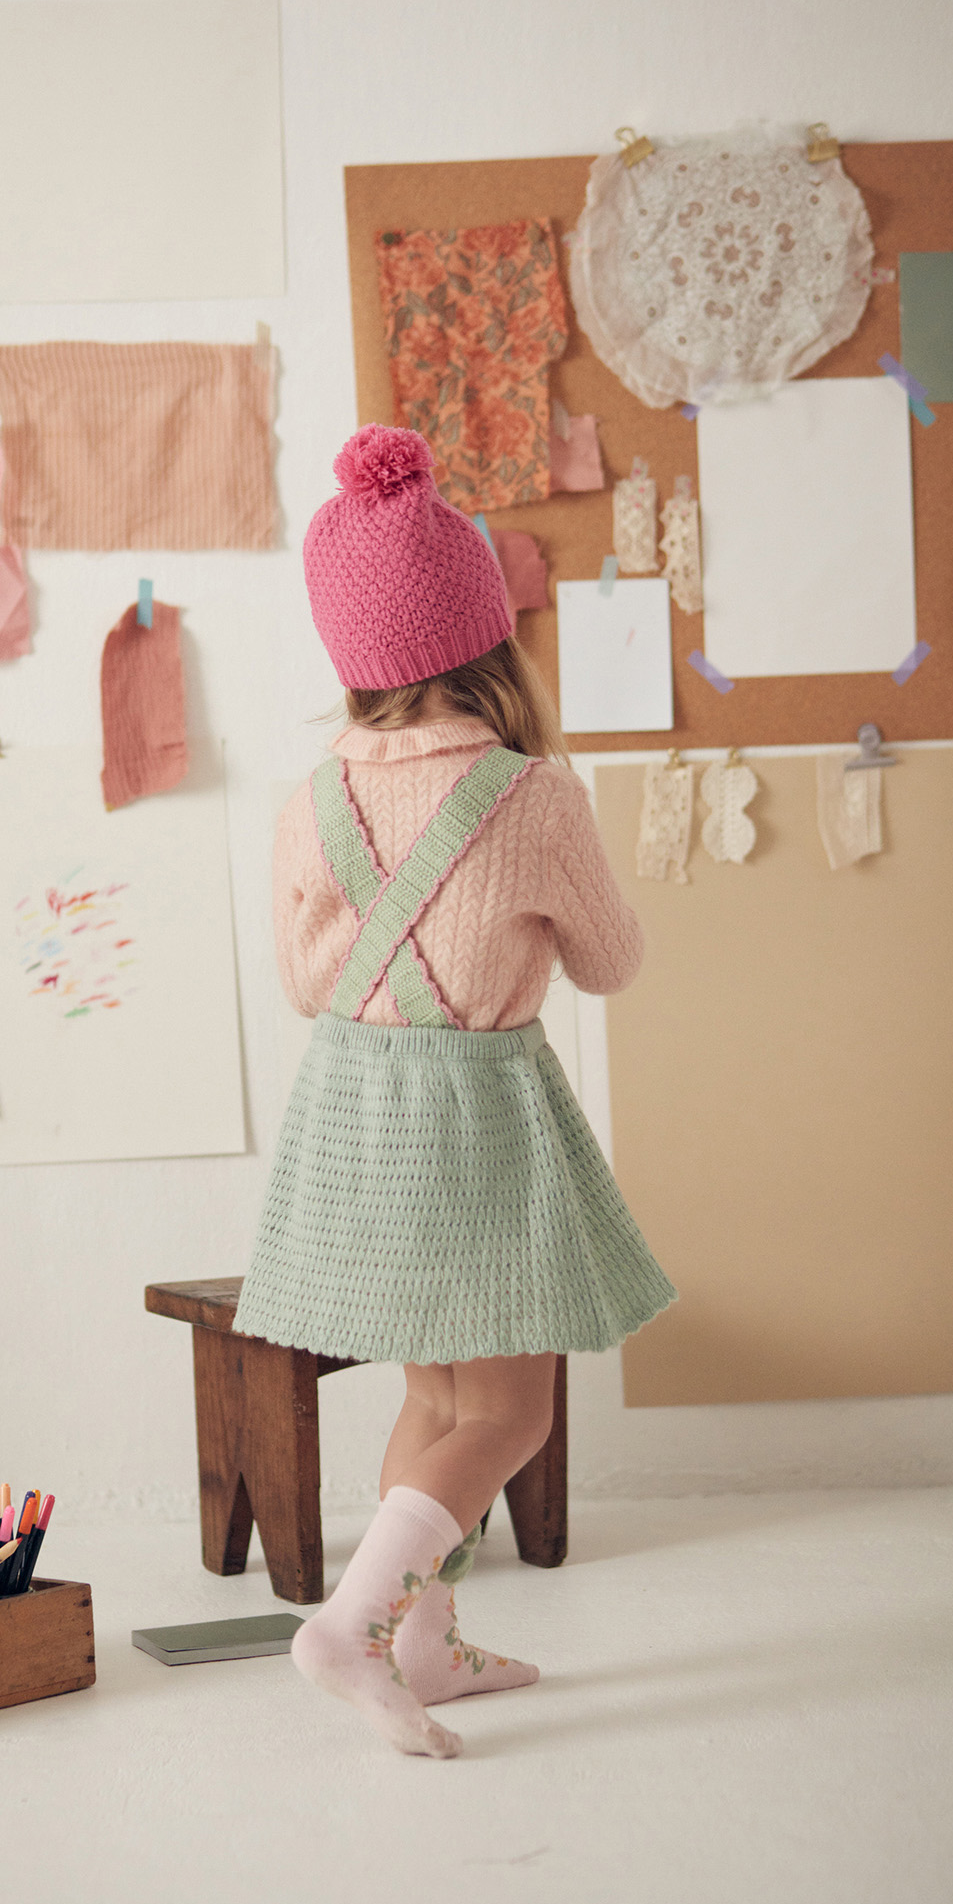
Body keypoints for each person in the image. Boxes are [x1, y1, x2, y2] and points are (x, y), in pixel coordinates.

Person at [236, 423, 675, 1759]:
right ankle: (352, 1628)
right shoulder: (531, 797)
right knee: (507, 1409)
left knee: (435, 1399)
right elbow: (612, 964)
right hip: (476, 1125)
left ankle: (424, 1643)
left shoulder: (311, 799)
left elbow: (306, 985)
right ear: (489, 636)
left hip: (353, 1124)